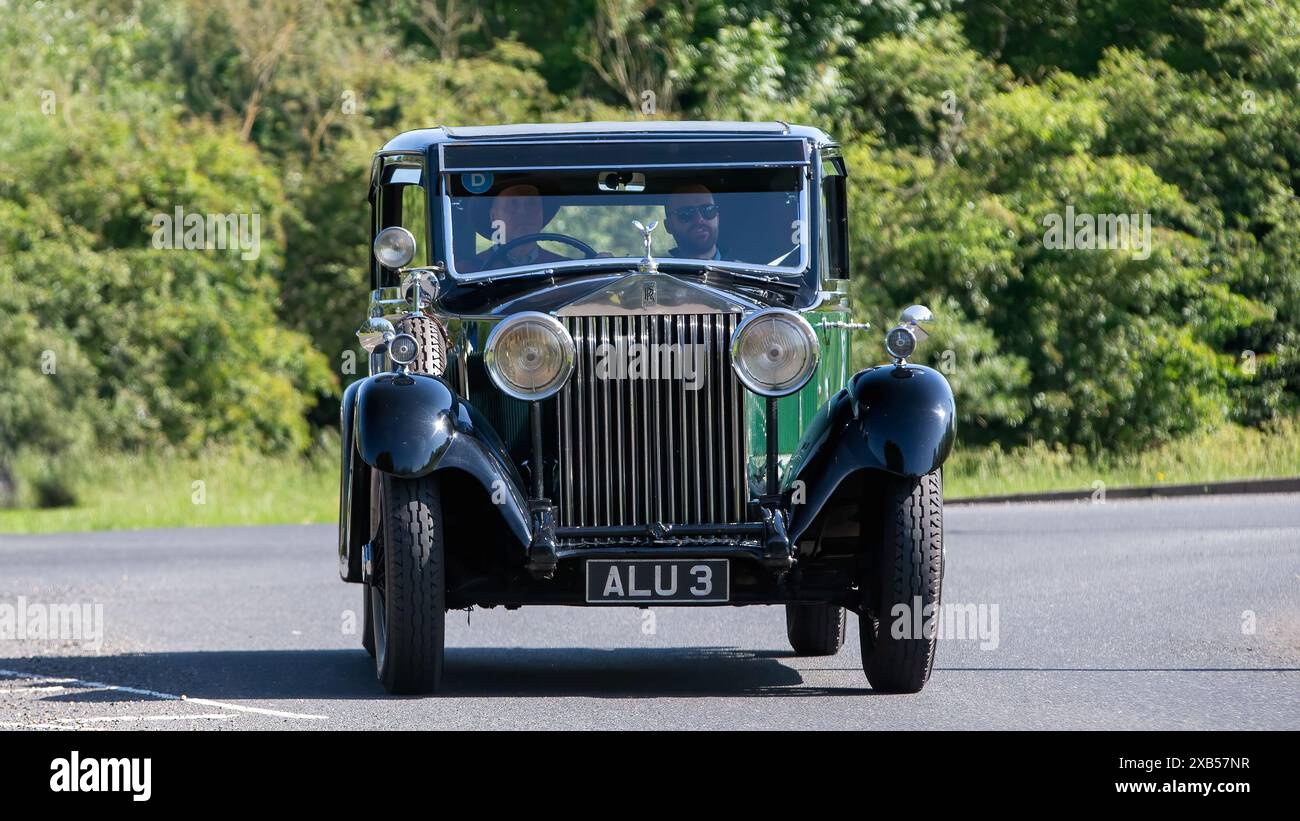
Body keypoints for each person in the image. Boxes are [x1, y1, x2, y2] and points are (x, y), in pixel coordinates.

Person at [474, 183, 571, 270]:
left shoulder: (565, 270)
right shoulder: (471, 271)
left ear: (542, 214)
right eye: (512, 204)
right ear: (493, 216)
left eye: (532, 204)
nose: (523, 212)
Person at [663, 184, 723, 260]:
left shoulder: (740, 268)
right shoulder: (657, 270)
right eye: (685, 213)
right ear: (668, 226)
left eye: (708, 210)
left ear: (717, 218)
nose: (699, 219)